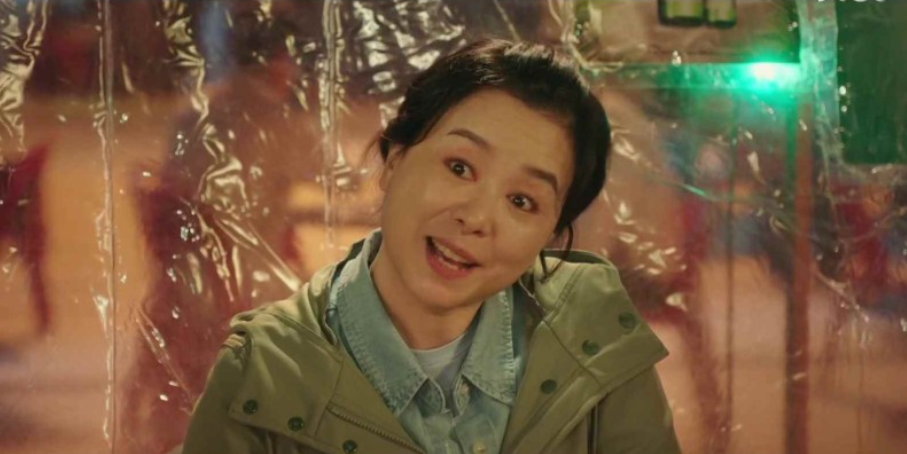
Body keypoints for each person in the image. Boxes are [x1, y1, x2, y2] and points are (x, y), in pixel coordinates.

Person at [181, 39, 681, 454]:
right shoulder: (262, 373)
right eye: (459, 167)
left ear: (550, 236)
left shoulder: (594, 333)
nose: (477, 218)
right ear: (394, 160)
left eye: (522, 201)